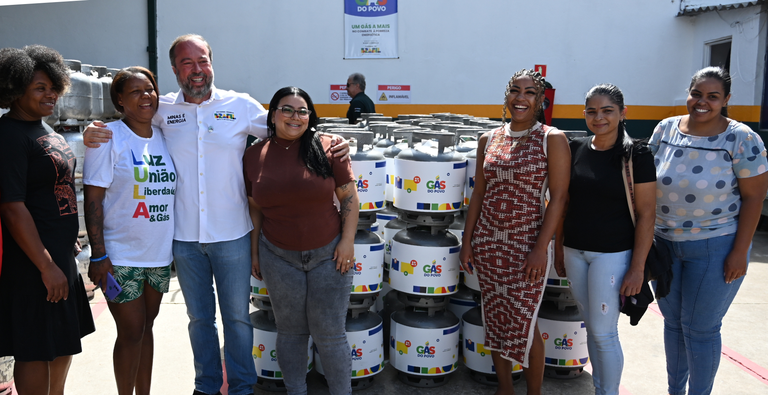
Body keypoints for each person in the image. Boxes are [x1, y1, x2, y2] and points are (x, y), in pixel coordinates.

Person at [83, 34, 348, 395]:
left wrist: (329, 139)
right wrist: (94, 130)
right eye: (187, 63)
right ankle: (206, 385)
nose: (197, 70)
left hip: (232, 236)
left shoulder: (240, 105)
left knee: (238, 320)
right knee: (199, 320)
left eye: (203, 60)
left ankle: (240, 386)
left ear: (212, 63)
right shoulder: (160, 109)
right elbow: (130, 122)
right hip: (184, 240)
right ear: (175, 69)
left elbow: (288, 126)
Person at [649, 67, 768, 395]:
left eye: (713, 97)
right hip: (665, 247)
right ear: (688, 93)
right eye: (697, 94)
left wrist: (739, 252)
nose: (703, 102)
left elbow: (755, 196)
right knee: (673, 325)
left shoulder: (741, 138)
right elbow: (644, 184)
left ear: (726, 100)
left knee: (699, 330)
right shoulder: (665, 129)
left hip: (715, 247)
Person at [460, 69, 570, 395]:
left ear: (540, 101)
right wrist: (467, 243)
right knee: (494, 318)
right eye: (515, 91)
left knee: (524, 322)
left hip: (527, 246)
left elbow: (560, 198)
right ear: (506, 95)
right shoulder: (488, 139)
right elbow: (478, 193)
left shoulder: (552, 138)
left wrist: (541, 248)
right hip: (488, 243)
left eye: (530, 92)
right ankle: (505, 388)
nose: (521, 98)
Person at [244, 87, 358, 395]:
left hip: (329, 255)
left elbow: (348, 196)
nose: (296, 117)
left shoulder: (329, 146)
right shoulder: (254, 155)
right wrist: (255, 251)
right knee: (291, 332)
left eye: (302, 110)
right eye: (288, 109)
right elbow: (254, 207)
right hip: (278, 257)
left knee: (330, 334)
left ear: (311, 115)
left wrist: (347, 241)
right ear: (273, 114)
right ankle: (296, 391)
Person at [0, 45, 95, 395]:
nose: (50, 94)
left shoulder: (45, 130)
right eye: (39, 88)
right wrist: (45, 265)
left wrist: (67, 239)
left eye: (53, 86)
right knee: (36, 350)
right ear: (15, 90)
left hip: (59, 255)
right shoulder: (9, 136)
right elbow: (12, 206)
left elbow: (57, 188)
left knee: (64, 342)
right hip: (32, 264)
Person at [554, 84, 656, 395]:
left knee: (604, 332)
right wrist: (558, 249)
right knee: (593, 329)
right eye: (592, 111)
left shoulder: (636, 153)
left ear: (623, 113)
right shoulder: (576, 148)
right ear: (583, 114)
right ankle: (600, 388)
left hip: (612, 255)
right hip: (574, 251)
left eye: (607, 111)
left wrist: (637, 268)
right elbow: (564, 203)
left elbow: (647, 213)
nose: (599, 117)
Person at [82, 66, 174, 395]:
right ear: (120, 100)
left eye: (149, 89)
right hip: (118, 258)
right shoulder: (108, 137)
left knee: (146, 328)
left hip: (158, 256)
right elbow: (93, 198)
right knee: (131, 331)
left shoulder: (165, 134)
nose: (145, 96)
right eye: (135, 92)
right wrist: (99, 255)